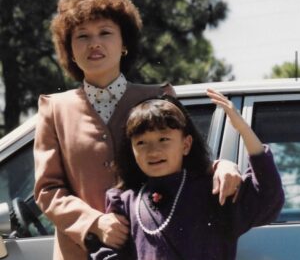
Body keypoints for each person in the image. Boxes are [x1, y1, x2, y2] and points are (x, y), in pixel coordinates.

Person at [34, 0, 242, 260]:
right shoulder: (54, 109)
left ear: (124, 45)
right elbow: (47, 190)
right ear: (70, 51)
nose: (94, 43)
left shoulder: (159, 96)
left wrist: (221, 165)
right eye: (82, 36)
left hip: (156, 248)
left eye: (105, 33)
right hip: (80, 252)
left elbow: (191, 159)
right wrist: (94, 222)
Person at [91, 89, 284, 260]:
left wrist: (243, 129)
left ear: (186, 144)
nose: (153, 151)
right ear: (132, 150)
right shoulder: (126, 201)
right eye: (141, 143)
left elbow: (267, 197)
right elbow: (109, 251)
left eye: (163, 139)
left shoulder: (213, 192)